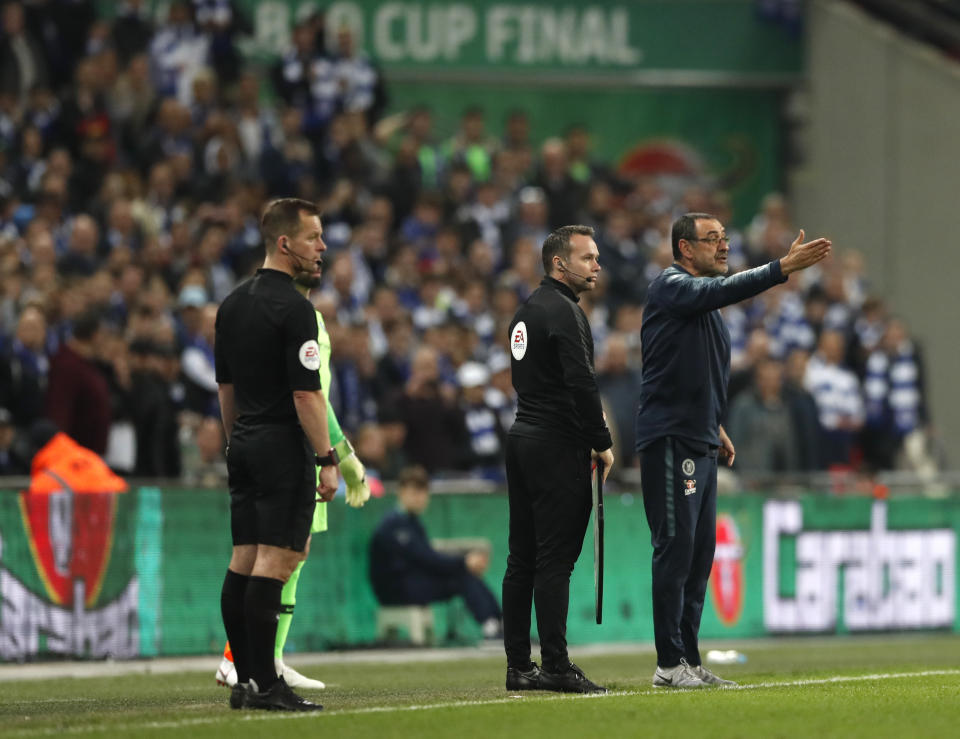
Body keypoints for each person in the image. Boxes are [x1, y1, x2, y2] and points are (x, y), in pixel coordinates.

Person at [635, 213, 831, 688]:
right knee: (676, 548)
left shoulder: (701, 306)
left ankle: (689, 659)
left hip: (698, 435)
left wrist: (714, 423)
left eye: (725, 238)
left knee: (701, 553)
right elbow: (719, 292)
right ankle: (667, 664)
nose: (723, 246)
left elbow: (693, 369)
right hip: (671, 438)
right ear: (684, 248)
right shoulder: (672, 286)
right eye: (712, 239)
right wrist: (780, 267)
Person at [215, 221, 371, 691]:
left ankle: (258, 665)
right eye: (313, 242)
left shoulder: (237, 306)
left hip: (249, 441)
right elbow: (312, 396)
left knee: (256, 556)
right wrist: (339, 458)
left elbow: (227, 389)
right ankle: (254, 666)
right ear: (285, 248)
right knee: (281, 557)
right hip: (292, 447)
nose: (321, 251)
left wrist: (234, 438)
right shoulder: (303, 316)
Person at [501, 224, 615, 695]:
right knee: (555, 560)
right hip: (556, 445)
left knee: (521, 558)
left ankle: (517, 666)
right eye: (588, 258)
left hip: (522, 438)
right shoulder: (566, 312)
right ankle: (555, 664)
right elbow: (581, 382)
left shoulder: (525, 312)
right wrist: (601, 439)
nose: (597, 266)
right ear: (559, 264)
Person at [369, 465, 501, 637]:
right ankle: (491, 627)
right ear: (401, 492)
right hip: (396, 589)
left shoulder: (412, 522)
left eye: (423, 492)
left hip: (410, 583)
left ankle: (498, 622)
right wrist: (463, 562)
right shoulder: (393, 525)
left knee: (465, 573)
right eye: (414, 492)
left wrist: (462, 563)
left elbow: (427, 555)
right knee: (462, 575)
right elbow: (426, 558)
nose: (420, 498)